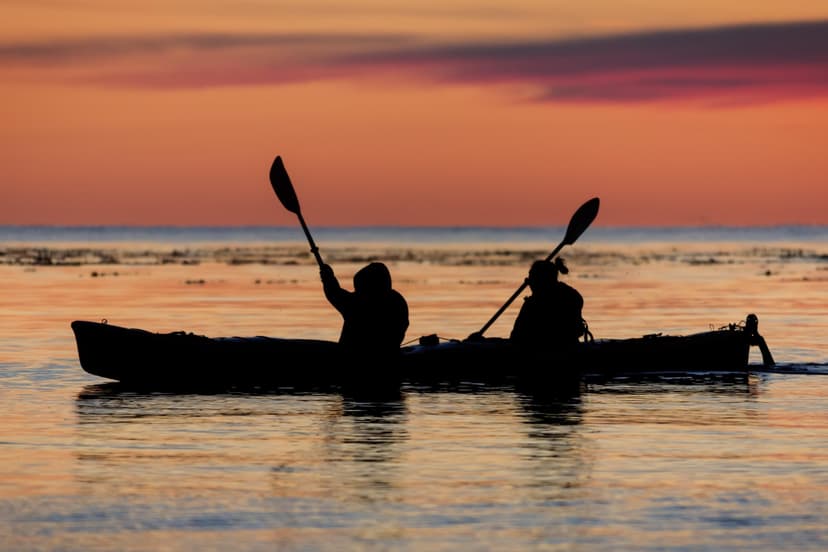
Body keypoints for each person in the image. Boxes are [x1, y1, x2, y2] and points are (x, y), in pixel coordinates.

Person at [319, 261, 409, 362]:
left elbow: (335, 293)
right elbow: (337, 293)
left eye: (359, 289)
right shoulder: (398, 301)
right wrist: (329, 278)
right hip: (389, 357)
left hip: (355, 358)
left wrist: (328, 279)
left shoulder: (357, 304)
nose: (356, 293)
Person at [509, 257, 586, 350]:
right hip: (570, 347)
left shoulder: (534, 303)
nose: (527, 282)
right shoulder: (572, 295)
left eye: (531, 278)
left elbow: (516, 336)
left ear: (541, 280)